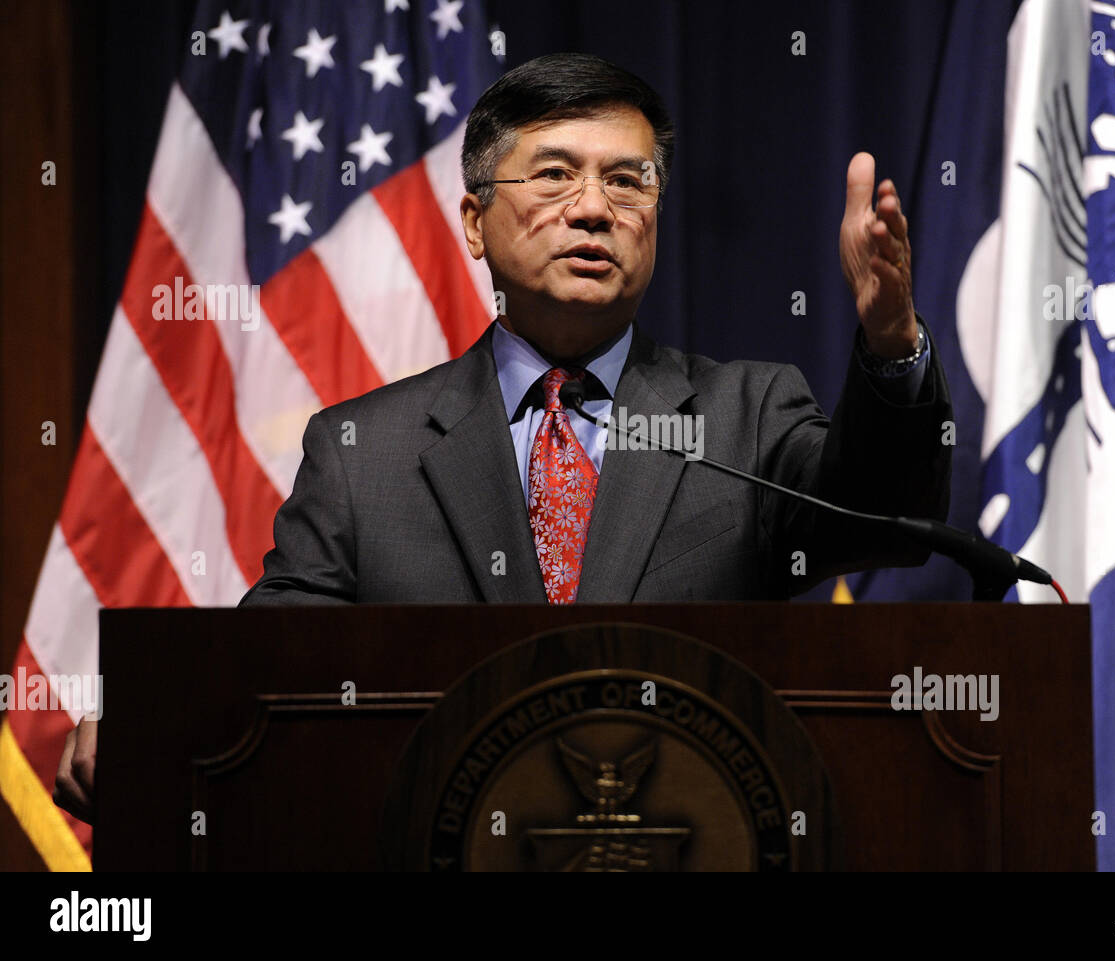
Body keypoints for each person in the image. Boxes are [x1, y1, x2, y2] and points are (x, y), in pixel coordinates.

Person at [55, 52, 952, 822]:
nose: (594, 208)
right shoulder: (363, 450)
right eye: (555, 174)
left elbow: (885, 510)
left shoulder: (743, 413)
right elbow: (272, 666)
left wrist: (889, 342)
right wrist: (151, 717)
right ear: (476, 222)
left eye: (627, 180)